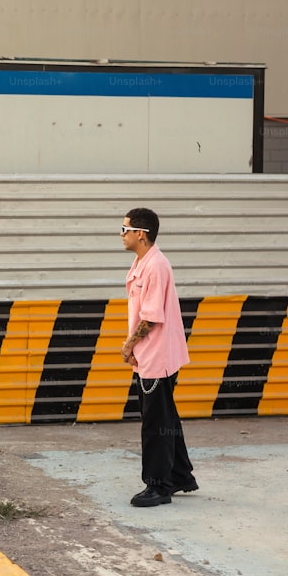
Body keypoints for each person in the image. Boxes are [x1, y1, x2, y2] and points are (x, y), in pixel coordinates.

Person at [120, 208, 197, 507]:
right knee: (166, 417)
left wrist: (128, 345)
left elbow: (151, 317)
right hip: (150, 354)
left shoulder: (155, 266)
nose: (121, 234)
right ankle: (180, 474)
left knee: (155, 423)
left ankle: (158, 486)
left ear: (141, 233)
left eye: (124, 228)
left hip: (157, 356)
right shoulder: (142, 262)